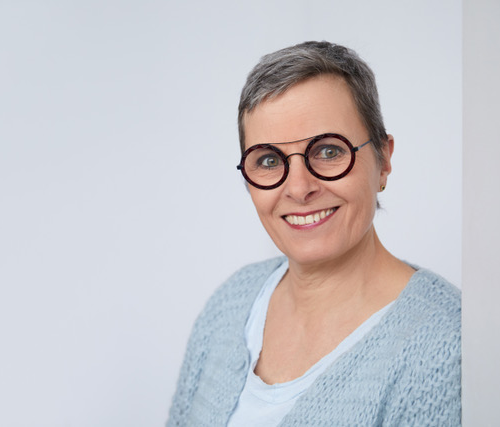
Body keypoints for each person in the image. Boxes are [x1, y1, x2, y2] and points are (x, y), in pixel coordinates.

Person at [167, 41, 461, 426]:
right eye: (268, 160)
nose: (299, 188)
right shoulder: (229, 305)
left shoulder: (446, 344)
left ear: (384, 160)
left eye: (328, 151)